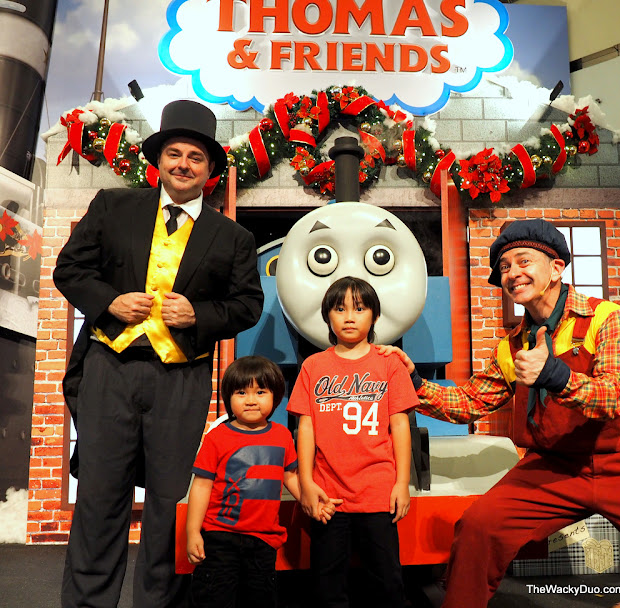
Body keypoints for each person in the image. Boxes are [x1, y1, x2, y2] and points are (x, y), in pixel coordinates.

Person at [53, 99, 264, 608]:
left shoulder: (233, 237)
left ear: (210, 171)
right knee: (100, 499)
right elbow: (70, 270)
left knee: (171, 504)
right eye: (175, 153)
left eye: (196, 157)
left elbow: (247, 305)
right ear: (159, 160)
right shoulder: (113, 206)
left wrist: (199, 315)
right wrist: (109, 301)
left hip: (180, 381)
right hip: (110, 370)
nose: (183, 165)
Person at [379, 218, 620, 608]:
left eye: (523, 261)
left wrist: (554, 374)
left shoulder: (606, 318)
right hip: (554, 466)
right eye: (504, 267)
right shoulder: (512, 345)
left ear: (556, 268)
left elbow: (613, 397)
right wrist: (414, 381)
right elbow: (469, 402)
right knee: (479, 527)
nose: (512, 273)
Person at [287, 276, 419, 608]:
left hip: (378, 492)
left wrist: (402, 483)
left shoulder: (389, 363)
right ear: (327, 316)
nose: (349, 317)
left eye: (359, 309)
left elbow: (400, 425)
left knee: (387, 583)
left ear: (374, 316)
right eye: (339, 308)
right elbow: (305, 427)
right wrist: (306, 482)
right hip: (328, 495)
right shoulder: (313, 366)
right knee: (327, 587)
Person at [186, 355, 340, 608]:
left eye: (260, 392)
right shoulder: (216, 437)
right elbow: (201, 486)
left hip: (264, 540)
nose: (250, 400)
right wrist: (193, 532)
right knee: (215, 598)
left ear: (275, 396)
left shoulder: (282, 435)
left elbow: (290, 476)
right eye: (241, 392)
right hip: (220, 537)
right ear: (228, 397)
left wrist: (311, 501)